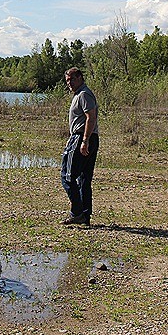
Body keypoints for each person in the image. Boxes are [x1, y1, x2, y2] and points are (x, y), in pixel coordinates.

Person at [60, 67, 99, 226]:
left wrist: (84, 140)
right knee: (83, 179)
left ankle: (77, 212)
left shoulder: (84, 94)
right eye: (67, 80)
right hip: (86, 137)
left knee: (67, 176)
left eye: (72, 79)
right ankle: (84, 215)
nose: (69, 83)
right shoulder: (79, 94)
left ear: (80, 77)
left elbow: (91, 117)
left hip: (82, 137)